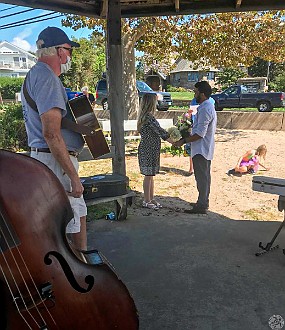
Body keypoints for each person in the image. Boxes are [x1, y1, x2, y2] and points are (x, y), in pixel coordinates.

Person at [21, 26, 87, 250]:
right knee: (72, 220)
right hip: (54, 161)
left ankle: (76, 268)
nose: (69, 56)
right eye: (69, 51)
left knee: (63, 221)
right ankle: (81, 272)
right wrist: (73, 177)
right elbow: (51, 133)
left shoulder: (35, 75)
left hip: (46, 159)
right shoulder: (47, 78)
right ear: (59, 51)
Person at [174, 81, 217, 214]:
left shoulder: (205, 108)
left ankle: (202, 205)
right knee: (204, 177)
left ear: (202, 94)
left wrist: (184, 140)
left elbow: (200, 134)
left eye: (196, 92)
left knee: (202, 178)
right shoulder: (206, 106)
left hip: (201, 149)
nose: (194, 94)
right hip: (203, 147)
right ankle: (203, 201)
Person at [137, 93, 174, 210]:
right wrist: (174, 142)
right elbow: (160, 131)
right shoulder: (148, 117)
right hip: (148, 149)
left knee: (151, 175)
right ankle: (146, 200)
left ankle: (151, 198)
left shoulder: (147, 116)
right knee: (148, 175)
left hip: (151, 148)